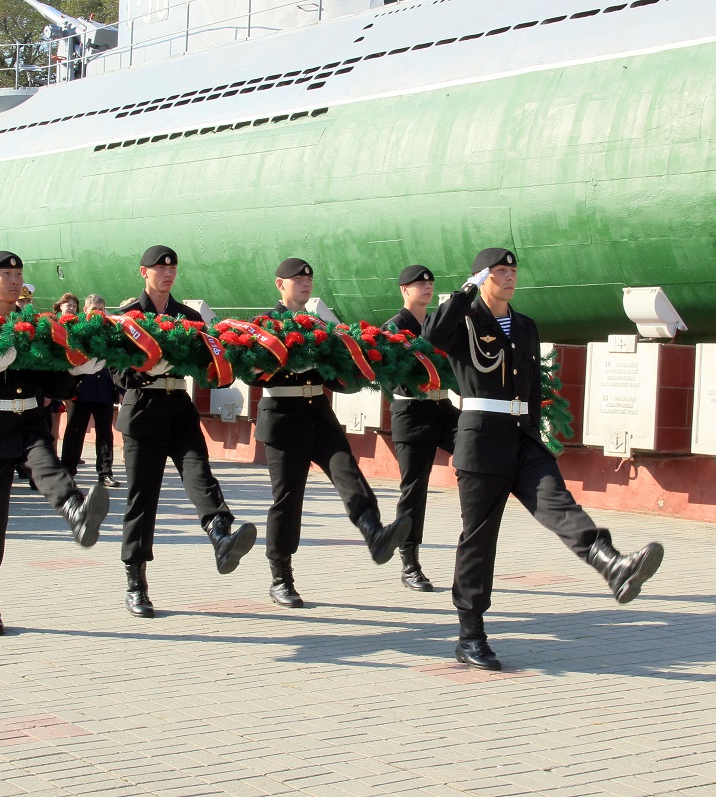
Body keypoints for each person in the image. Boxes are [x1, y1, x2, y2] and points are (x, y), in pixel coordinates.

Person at [422, 248, 665, 670]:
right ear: (482, 277)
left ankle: (613, 565)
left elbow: (531, 386)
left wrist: (535, 434)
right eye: (499, 271)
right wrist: (464, 291)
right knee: (478, 538)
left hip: (522, 437)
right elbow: (431, 338)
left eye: (513, 271)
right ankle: (470, 634)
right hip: (481, 440)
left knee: (559, 505)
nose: (510, 277)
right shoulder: (462, 320)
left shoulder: (525, 326)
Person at [0, 251, 110, 635]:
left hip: (31, 418)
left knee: (47, 465)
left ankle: (75, 509)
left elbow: (51, 384)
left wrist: (74, 370)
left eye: (19, 273)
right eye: (6, 274)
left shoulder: (37, 325)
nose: (15, 280)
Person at [255, 258, 411, 608]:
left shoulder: (318, 324)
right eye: (298, 279)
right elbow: (251, 373)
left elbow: (334, 375)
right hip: (282, 417)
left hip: (318, 414)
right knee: (288, 499)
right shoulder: (264, 324)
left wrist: (355, 374)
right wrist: (287, 363)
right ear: (280, 284)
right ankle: (281, 576)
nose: (305, 284)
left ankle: (374, 533)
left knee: (348, 473)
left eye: (309, 279)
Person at [114, 245, 257, 618]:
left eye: (173, 269)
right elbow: (117, 374)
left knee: (199, 473)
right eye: (160, 269)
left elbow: (208, 363)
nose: (168, 274)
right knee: (142, 499)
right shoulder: (129, 316)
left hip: (178, 407)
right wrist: (148, 370)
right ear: (143, 272)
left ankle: (222, 536)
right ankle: (136, 582)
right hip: (142, 410)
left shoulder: (188, 317)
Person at [384, 265, 460, 592]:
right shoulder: (393, 327)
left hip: (442, 407)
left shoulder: (436, 323)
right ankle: (410, 562)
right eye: (419, 284)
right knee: (414, 488)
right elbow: (387, 374)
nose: (427, 288)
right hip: (411, 411)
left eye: (430, 284)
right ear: (404, 290)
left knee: (480, 449)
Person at [61, 294, 119, 488]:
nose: (98, 313)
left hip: (103, 390)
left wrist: (118, 389)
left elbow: (115, 363)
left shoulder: (109, 331)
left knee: (105, 434)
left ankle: (105, 472)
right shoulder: (78, 331)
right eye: (94, 309)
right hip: (81, 389)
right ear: (85, 310)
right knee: (75, 432)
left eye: (101, 309)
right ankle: (68, 471)